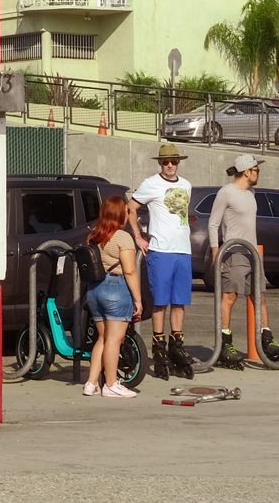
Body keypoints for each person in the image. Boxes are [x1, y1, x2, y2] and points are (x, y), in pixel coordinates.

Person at [208, 153, 279, 367]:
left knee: (260, 297)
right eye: (256, 170)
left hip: (253, 254)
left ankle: (266, 340)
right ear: (247, 171)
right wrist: (216, 251)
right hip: (234, 253)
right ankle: (225, 344)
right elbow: (213, 224)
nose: (258, 173)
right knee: (230, 297)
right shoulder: (226, 192)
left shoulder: (251, 192)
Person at [129, 142, 195, 380]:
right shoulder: (151, 184)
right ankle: (159, 346)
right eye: (166, 162)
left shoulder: (186, 185)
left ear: (179, 162)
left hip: (183, 251)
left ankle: (177, 345)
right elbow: (131, 207)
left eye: (174, 162)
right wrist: (138, 236)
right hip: (160, 251)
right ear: (159, 163)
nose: (170, 165)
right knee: (160, 301)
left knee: (179, 302)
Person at [83, 194, 142, 397]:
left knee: (102, 338)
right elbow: (130, 271)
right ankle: (110, 384)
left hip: (94, 289)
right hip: (116, 288)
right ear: (119, 214)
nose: (128, 213)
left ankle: (91, 383)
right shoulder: (122, 237)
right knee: (114, 340)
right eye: (126, 211)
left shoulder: (94, 235)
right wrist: (138, 299)